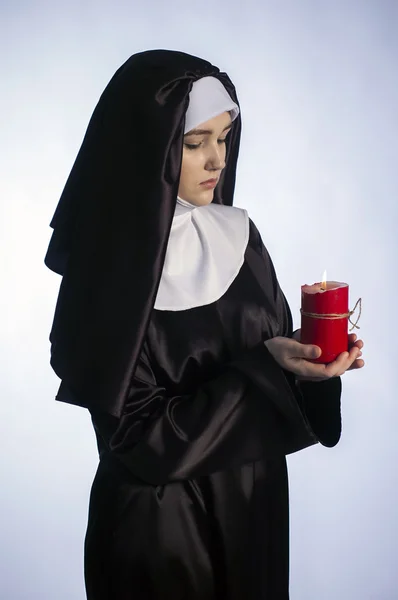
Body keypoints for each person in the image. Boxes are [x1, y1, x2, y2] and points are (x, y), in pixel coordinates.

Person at [44, 50, 364, 600]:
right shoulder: (107, 272)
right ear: (152, 148)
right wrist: (264, 368)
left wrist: (314, 372)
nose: (217, 159)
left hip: (253, 508)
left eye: (224, 137)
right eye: (195, 144)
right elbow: (138, 438)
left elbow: (278, 359)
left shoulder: (241, 234)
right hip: (161, 528)